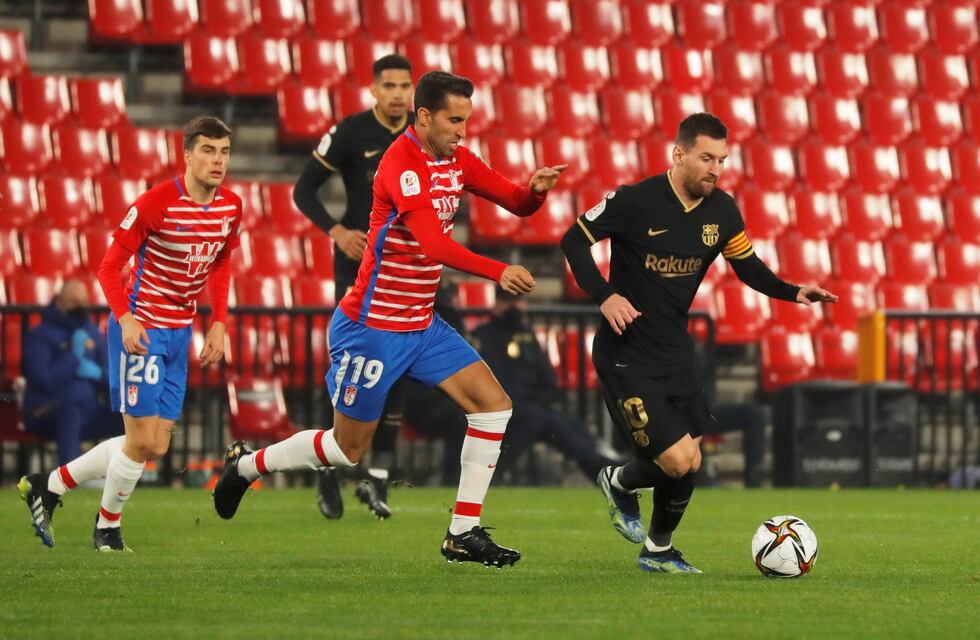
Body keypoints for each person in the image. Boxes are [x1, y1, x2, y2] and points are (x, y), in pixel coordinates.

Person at [213, 71, 566, 568]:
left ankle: (462, 532)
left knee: (493, 407)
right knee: (346, 449)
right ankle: (246, 467)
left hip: (420, 325)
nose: (463, 130)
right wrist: (498, 270)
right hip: (373, 328)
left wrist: (536, 191)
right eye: (454, 120)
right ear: (424, 117)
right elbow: (432, 244)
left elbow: (515, 202)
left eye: (467, 119)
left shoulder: (457, 159)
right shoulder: (400, 163)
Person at [560, 113, 837, 574]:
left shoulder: (722, 212)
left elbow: (747, 267)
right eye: (707, 158)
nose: (715, 168)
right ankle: (618, 480)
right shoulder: (635, 201)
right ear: (679, 154)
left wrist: (793, 291)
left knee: (690, 461)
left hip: (675, 351)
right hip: (626, 353)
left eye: (722, 160)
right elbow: (573, 241)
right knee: (672, 459)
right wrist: (605, 296)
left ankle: (657, 550)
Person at [17, 116, 242, 551]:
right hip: (142, 330)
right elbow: (107, 267)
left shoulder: (231, 207)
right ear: (187, 155)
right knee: (140, 440)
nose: (218, 160)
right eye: (209, 151)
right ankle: (107, 528)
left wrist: (218, 323)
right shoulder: (156, 203)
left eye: (224, 152)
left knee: (154, 445)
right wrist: (125, 318)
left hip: (180, 332)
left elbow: (221, 263)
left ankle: (50, 483)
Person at [292, 54, 415, 520]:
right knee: (355, 364)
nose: (399, 94)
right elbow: (304, 190)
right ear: (374, 90)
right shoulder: (350, 132)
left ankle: (377, 482)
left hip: (404, 265)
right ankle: (328, 466)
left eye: (406, 85)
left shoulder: (422, 135)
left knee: (400, 365)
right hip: (358, 265)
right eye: (390, 85)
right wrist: (337, 231)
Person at [465, 288, 618, 481]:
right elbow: (498, 381)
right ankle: (600, 468)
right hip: (503, 406)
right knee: (540, 419)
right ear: (496, 303)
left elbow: (547, 375)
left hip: (532, 404)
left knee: (570, 422)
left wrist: (544, 395)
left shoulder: (527, 335)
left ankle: (599, 465)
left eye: (517, 301)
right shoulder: (484, 336)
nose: (513, 306)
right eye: (507, 301)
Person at [21, 279, 124, 465]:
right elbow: (44, 380)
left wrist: (98, 374)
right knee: (70, 410)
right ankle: (68, 481)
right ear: (59, 301)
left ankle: (130, 480)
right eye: (74, 303)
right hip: (47, 411)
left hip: (89, 410)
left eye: (83, 303)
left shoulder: (92, 332)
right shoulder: (40, 335)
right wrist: (74, 359)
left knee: (130, 416)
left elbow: (112, 377)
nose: (80, 308)